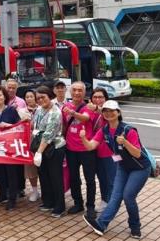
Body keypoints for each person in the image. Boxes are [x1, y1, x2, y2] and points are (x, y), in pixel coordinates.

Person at [83, 100, 150, 239]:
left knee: (128, 196)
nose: (108, 113)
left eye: (112, 111)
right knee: (115, 196)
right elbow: (90, 146)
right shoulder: (104, 130)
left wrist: (125, 142)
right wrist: (83, 137)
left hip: (140, 168)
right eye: (105, 111)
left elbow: (137, 154)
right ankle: (101, 225)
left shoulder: (128, 130)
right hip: (123, 166)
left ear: (118, 112)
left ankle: (135, 227)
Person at [63, 81, 96, 217]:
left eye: (80, 90)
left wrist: (72, 113)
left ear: (84, 92)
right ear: (70, 92)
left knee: (90, 179)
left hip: (86, 149)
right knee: (74, 178)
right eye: (74, 90)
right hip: (71, 149)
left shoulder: (88, 107)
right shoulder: (66, 106)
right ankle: (78, 203)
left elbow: (85, 118)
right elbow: (64, 125)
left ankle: (91, 207)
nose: (77, 93)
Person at [32, 85, 66, 218]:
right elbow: (35, 126)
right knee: (44, 175)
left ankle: (59, 206)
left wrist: (39, 152)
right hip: (41, 147)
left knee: (55, 177)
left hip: (54, 148)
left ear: (49, 96)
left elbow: (48, 134)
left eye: (43, 97)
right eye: (38, 98)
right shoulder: (39, 110)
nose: (40, 100)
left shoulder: (55, 112)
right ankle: (48, 201)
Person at [0, 86, 21, 211]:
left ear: (5, 97)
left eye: (0, 95)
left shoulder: (11, 110)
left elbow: (20, 126)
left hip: (10, 147)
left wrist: (8, 125)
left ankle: (12, 199)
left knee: (11, 173)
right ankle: (2, 195)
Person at [85, 87, 113, 211]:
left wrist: (97, 109)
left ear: (105, 99)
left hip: (108, 150)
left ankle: (109, 201)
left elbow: (110, 116)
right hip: (92, 149)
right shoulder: (88, 110)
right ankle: (104, 200)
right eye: (95, 97)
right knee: (100, 176)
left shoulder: (109, 110)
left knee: (109, 177)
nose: (97, 99)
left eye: (100, 97)